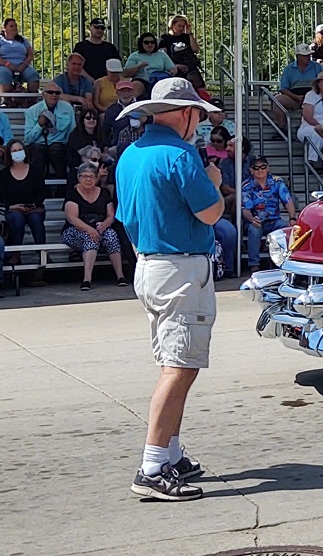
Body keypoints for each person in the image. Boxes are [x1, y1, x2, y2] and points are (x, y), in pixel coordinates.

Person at [114, 77, 223, 501]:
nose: (199, 120)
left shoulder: (131, 153)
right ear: (185, 113)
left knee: (174, 362)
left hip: (150, 264)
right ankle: (153, 463)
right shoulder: (181, 155)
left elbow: (127, 215)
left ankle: (170, 452)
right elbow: (212, 212)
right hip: (179, 269)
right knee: (179, 367)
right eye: (197, 112)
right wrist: (212, 178)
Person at [61, 161, 127, 291]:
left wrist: (105, 224)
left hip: (99, 227)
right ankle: (87, 279)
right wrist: (89, 229)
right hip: (75, 230)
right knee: (90, 239)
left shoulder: (104, 193)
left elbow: (111, 215)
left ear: (96, 178)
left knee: (111, 235)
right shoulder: (72, 194)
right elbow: (72, 218)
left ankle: (120, 276)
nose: (88, 179)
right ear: (79, 178)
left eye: (91, 176)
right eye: (84, 176)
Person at [242, 156, 297, 272]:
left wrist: (292, 218)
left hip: (274, 221)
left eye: (263, 167)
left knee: (287, 229)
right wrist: (252, 219)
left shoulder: (277, 182)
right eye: (256, 168)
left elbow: (287, 201)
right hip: (255, 221)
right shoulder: (246, 185)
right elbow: (245, 209)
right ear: (251, 170)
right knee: (253, 230)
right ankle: (254, 264)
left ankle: (288, 262)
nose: (260, 170)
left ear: (268, 168)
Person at [1, 141, 48, 261]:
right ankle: (15, 253)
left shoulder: (35, 171)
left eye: (20, 150)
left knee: (35, 219)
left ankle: (42, 252)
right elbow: (2, 196)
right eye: (14, 151)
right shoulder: (4, 174)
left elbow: (42, 192)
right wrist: (12, 207)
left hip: (34, 207)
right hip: (13, 208)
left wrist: (34, 204)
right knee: (17, 219)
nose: (18, 153)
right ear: (9, 154)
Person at [23, 83, 75, 179]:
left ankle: (62, 188)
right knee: (39, 152)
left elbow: (72, 131)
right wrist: (39, 125)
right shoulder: (31, 111)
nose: (54, 95)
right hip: (38, 145)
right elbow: (28, 139)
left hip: (59, 144)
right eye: (50, 92)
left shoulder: (68, 108)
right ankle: (39, 189)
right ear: (43, 94)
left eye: (57, 93)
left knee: (57, 151)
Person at [295, 71, 323, 162]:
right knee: (317, 133)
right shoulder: (311, 95)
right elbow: (308, 117)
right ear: (318, 83)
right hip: (310, 127)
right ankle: (311, 160)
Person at [275, 44, 321, 124]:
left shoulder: (318, 67)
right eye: (305, 55)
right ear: (298, 56)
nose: (308, 57)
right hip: (294, 98)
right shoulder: (289, 69)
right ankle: (282, 129)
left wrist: (311, 97)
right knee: (277, 100)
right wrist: (296, 97)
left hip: (315, 99)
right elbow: (283, 88)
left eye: (308, 55)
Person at [0, 18, 40, 96]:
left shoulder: (23, 40)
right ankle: (5, 100)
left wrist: (23, 65)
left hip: (22, 66)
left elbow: (30, 54)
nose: (14, 28)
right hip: (5, 65)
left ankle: (32, 100)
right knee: (4, 74)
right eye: (11, 26)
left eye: (16, 26)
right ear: (4, 28)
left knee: (33, 75)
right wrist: (8, 65)